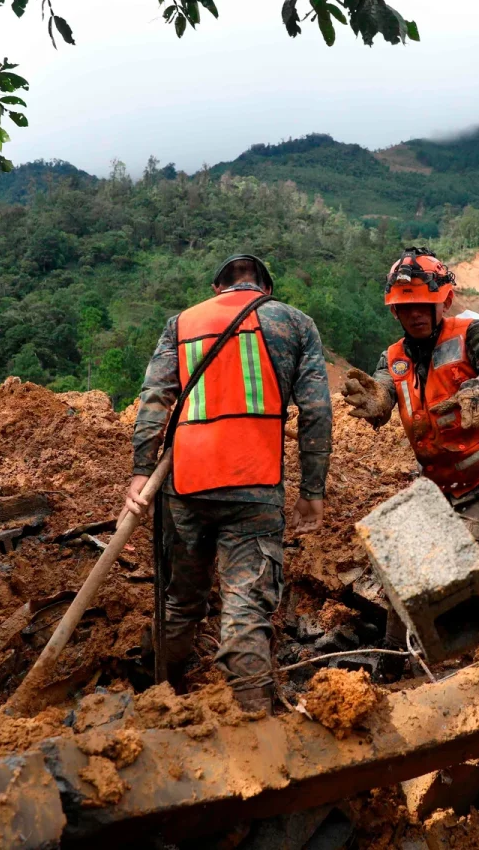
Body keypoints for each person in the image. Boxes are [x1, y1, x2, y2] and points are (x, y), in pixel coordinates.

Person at [124, 254, 332, 713]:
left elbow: (154, 400)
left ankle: (162, 700)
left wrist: (141, 471)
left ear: (219, 288)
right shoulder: (295, 324)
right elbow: (316, 410)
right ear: (265, 289)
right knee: (244, 608)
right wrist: (312, 492)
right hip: (253, 485)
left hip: (186, 484)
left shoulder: (183, 322)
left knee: (179, 604)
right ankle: (254, 719)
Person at [341, 248, 479, 664]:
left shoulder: (471, 334)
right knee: (406, 574)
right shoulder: (393, 359)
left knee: (466, 581)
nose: (416, 314)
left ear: (442, 301)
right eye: (405, 308)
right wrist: (375, 401)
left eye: (423, 305)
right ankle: (393, 662)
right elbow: (383, 392)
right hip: (436, 483)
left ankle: (458, 673)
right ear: (396, 312)